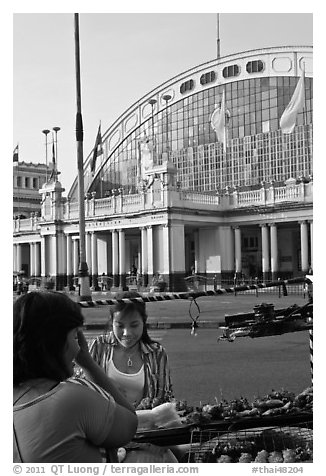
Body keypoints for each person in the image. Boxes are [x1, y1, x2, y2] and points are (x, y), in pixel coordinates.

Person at [13, 291, 137, 463]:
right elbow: (130, 423)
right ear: (56, 343)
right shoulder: (73, 398)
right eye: (74, 337)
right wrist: (87, 362)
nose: (77, 348)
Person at [88, 291, 178, 463]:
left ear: (144, 322)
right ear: (111, 322)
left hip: (144, 438)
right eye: (119, 325)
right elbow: (84, 394)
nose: (126, 333)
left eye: (134, 325)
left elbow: (164, 401)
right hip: (104, 436)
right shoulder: (98, 347)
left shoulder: (157, 353)